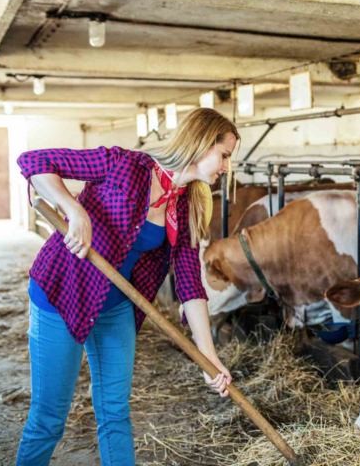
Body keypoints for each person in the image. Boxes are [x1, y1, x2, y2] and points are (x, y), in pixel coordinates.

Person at [15, 108, 238, 466]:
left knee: (115, 413)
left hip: (115, 305)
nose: (227, 167)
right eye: (225, 155)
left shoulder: (185, 206)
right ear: (201, 143)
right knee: (49, 420)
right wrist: (75, 211)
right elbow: (35, 162)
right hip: (62, 294)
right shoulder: (124, 165)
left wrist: (208, 358)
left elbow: (189, 286)